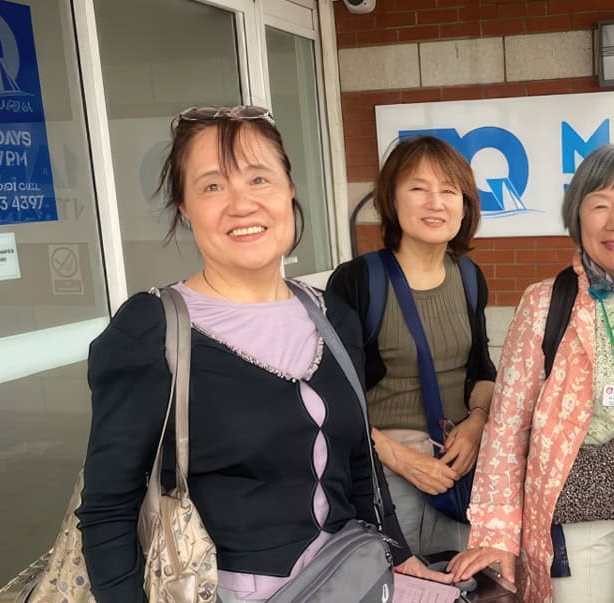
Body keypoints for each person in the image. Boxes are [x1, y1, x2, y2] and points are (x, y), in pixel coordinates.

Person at [76, 106, 439, 602]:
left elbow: (359, 462)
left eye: (259, 179)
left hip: (349, 580)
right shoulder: (151, 330)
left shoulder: (332, 317)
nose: (241, 204)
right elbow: (107, 510)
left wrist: (400, 555)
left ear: (289, 190)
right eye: (212, 186)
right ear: (185, 207)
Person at [447, 144, 614, 603]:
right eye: (600, 205)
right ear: (578, 217)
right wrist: (495, 531)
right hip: (575, 517)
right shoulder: (545, 303)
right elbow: (508, 426)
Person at [326, 135, 496, 555]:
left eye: (448, 191)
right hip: (384, 466)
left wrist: (476, 425)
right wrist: (401, 458)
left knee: (461, 581)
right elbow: (330, 394)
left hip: (458, 465)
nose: (435, 203)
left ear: (465, 205)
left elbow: (481, 370)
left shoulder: (470, 278)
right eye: (418, 188)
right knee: (394, 582)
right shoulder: (358, 281)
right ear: (392, 199)